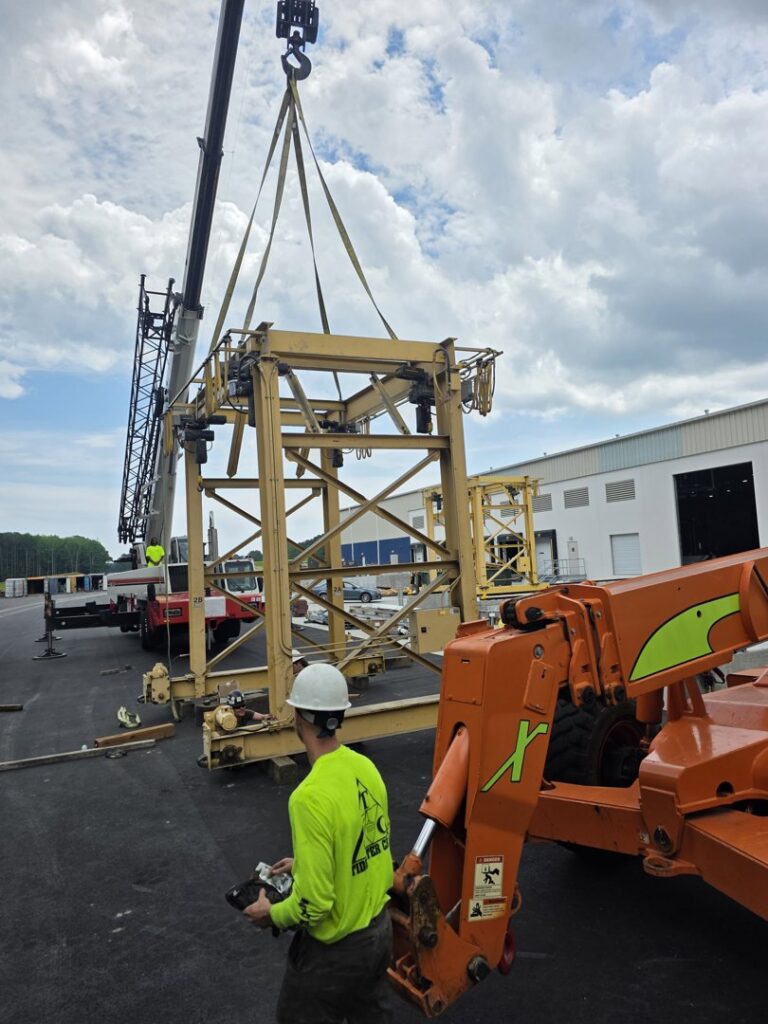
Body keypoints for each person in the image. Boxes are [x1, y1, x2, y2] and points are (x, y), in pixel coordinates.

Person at [243, 662, 393, 1024]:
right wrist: (308, 864)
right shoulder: (364, 768)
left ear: (298, 717)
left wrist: (271, 915)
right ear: (339, 715)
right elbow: (369, 845)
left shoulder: (308, 797)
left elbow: (314, 905)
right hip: (379, 934)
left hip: (336, 953)